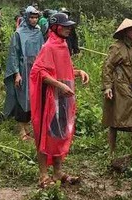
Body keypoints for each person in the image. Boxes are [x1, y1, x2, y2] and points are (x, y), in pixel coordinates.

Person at [29, 12, 89, 187]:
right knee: (45, 135)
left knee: (59, 133)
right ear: (56, 27)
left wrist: (78, 72)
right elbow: (39, 72)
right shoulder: (48, 47)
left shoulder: (63, 45)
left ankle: (57, 172)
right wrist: (60, 86)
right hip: (50, 99)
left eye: (70, 26)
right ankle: (43, 176)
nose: (69, 29)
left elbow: (64, 70)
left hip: (63, 99)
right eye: (66, 26)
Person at [102, 19, 132, 155]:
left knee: (115, 119)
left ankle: (114, 152)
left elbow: (128, 71)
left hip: (127, 86)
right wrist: (107, 87)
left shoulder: (131, 48)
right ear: (125, 32)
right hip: (118, 87)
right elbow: (107, 67)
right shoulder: (117, 48)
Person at [3, 6, 44, 140]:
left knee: (33, 98)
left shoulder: (38, 32)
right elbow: (14, 54)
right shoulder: (19, 33)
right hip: (23, 69)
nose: (34, 20)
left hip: (35, 69)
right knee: (22, 97)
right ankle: (21, 130)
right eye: (31, 17)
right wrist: (16, 73)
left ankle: (27, 128)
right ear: (26, 17)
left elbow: (42, 51)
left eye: (36, 17)